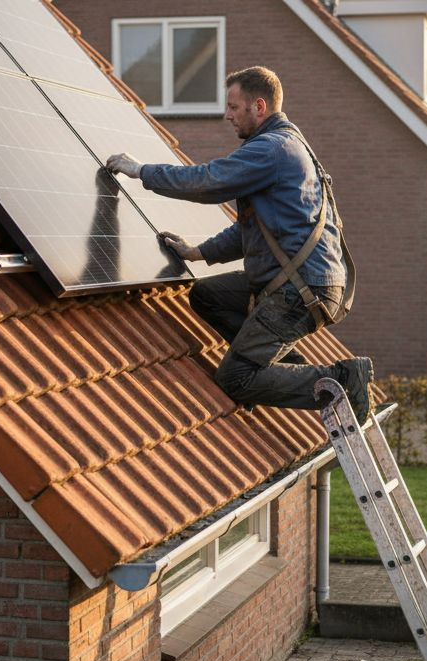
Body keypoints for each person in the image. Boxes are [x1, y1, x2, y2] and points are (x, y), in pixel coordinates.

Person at [105, 66, 373, 423]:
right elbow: (252, 231)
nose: (226, 115)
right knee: (207, 296)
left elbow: (207, 181)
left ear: (258, 106)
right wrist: (197, 253)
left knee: (235, 378)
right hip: (298, 278)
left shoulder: (271, 149)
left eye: (233, 106)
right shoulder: (288, 144)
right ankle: (270, 371)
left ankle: (342, 380)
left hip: (300, 288)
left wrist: (142, 171)